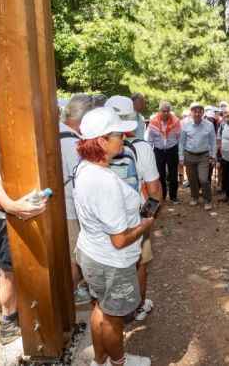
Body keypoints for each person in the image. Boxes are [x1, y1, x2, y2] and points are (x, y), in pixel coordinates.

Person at [73, 107, 154, 366]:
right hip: (111, 263)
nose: (124, 136)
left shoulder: (84, 168)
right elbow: (119, 239)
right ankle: (118, 361)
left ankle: (100, 360)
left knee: (100, 308)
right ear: (101, 141)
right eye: (118, 133)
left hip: (91, 253)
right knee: (113, 318)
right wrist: (145, 224)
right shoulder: (104, 181)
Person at [0, 135, 48, 344]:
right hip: (6, 214)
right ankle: (8, 322)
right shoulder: (8, 131)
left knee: (11, 267)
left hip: (10, 211)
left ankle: (18, 314)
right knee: (8, 269)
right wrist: (11, 206)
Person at [105, 95, 163, 322]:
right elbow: (155, 190)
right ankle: (137, 308)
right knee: (140, 262)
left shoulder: (92, 147)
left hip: (104, 221)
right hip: (134, 219)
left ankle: (110, 309)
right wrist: (147, 220)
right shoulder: (141, 147)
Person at [61, 94, 98, 306]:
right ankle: (74, 295)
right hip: (70, 208)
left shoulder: (56, 131)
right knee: (75, 255)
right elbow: (82, 180)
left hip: (61, 205)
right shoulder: (72, 142)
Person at [178, 102, 216, 210]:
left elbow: (213, 141)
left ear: (203, 113)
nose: (197, 114)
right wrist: (181, 157)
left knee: (203, 179)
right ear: (191, 113)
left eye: (200, 111)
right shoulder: (186, 125)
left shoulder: (209, 125)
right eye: (195, 111)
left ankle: (207, 200)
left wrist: (213, 156)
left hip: (204, 156)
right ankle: (194, 197)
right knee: (192, 179)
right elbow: (181, 142)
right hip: (189, 155)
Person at [146, 101, 181, 204]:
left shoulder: (176, 121)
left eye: (167, 111)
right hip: (158, 150)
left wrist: (178, 150)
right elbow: (150, 139)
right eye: (163, 111)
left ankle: (173, 196)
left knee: (173, 174)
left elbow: (179, 137)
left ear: (170, 111)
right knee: (160, 174)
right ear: (159, 111)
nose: (166, 113)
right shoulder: (153, 122)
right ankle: (163, 196)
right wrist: (149, 152)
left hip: (172, 149)